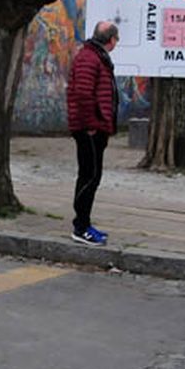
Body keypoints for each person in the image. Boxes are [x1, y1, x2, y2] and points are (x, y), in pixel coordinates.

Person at [66, 19, 119, 246]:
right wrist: (91, 124)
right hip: (90, 128)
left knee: (92, 175)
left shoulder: (95, 57)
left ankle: (84, 223)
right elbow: (83, 94)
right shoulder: (90, 58)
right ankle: (81, 227)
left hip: (96, 126)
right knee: (89, 175)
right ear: (112, 40)